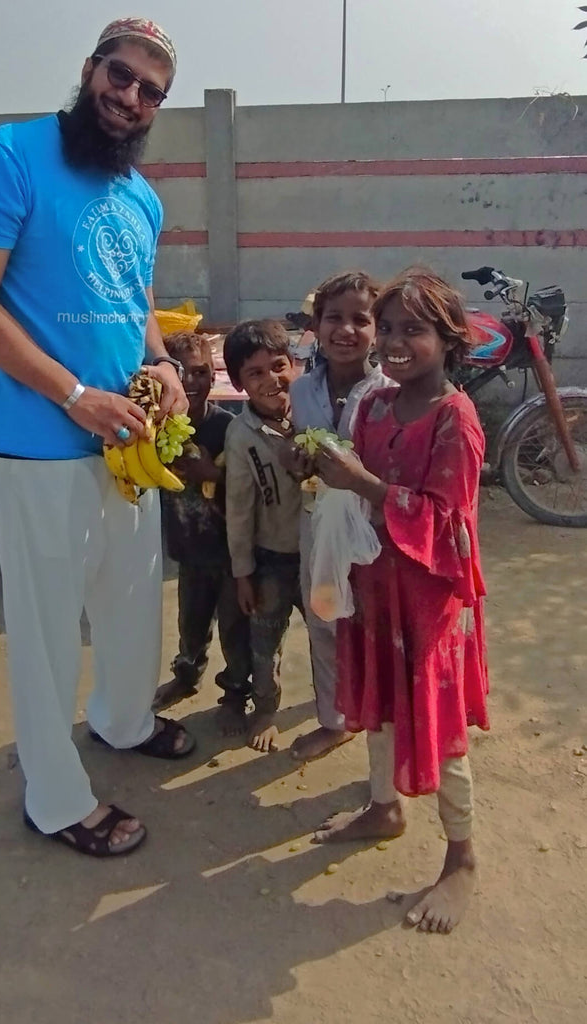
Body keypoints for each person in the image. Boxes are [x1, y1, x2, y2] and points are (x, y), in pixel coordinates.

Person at [0, 17, 197, 859]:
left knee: (129, 597)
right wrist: (74, 393)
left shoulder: (141, 197)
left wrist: (159, 362)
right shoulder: (5, 157)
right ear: (90, 70)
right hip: (38, 440)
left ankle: (122, 721)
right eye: (120, 77)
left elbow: (134, 303)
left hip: (126, 441)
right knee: (48, 630)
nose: (130, 99)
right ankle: (54, 799)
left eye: (150, 91)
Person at [312, 268, 489, 935]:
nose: (391, 342)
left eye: (412, 330)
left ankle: (462, 856)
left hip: (431, 600)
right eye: (385, 328)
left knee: (439, 727)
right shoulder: (378, 406)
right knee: (380, 701)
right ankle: (383, 807)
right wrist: (327, 466)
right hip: (377, 584)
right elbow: (358, 480)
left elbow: (450, 525)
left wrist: (365, 483)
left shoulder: (456, 419)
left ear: (449, 340)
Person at [287, 270, 389, 762]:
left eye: (360, 320)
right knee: (324, 616)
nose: (345, 330)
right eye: (333, 318)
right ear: (316, 324)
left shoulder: (389, 391)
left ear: (376, 329)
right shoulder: (302, 390)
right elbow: (296, 449)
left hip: (373, 530)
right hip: (318, 524)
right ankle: (335, 719)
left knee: (374, 623)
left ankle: (380, 720)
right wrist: (296, 460)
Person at [152, 332, 252, 732]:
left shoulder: (229, 429)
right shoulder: (156, 428)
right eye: (184, 374)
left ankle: (235, 693)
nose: (192, 382)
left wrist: (213, 475)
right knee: (191, 623)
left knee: (234, 628)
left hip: (231, 554)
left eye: (202, 372)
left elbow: (251, 491)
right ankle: (187, 675)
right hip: (188, 550)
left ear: (215, 375)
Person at [223, 320, 304, 752]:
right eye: (255, 374)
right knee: (264, 639)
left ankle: (340, 704)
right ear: (238, 384)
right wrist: (243, 572)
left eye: (278, 366)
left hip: (318, 554)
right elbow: (239, 509)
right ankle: (267, 707)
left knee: (334, 633)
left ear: (294, 365)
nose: (272, 380)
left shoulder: (314, 411)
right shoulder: (241, 436)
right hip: (270, 557)